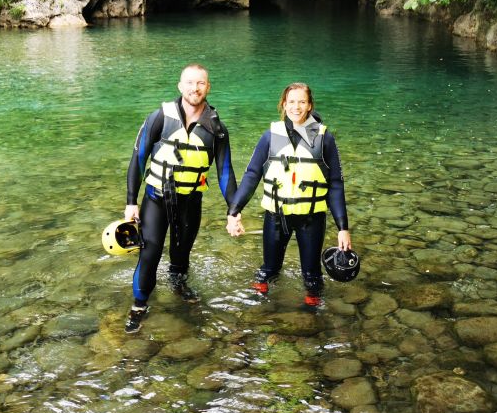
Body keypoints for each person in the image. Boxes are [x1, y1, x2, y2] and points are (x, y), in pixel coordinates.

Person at [123, 64, 237, 333]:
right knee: (149, 254)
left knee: (181, 254)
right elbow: (138, 161)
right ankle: (139, 305)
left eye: (200, 83)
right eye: (189, 83)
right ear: (180, 86)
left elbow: (225, 172)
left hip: (190, 202)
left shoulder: (217, 129)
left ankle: (178, 284)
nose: (194, 88)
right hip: (156, 199)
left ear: (208, 87)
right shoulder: (159, 118)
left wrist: (234, 210)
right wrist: (131, 201)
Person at [226, 82, 351, 307]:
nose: (296, 107)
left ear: (310, 105)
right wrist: (234, 211)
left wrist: (343, 228)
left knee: (312, 275)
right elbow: (252, 174)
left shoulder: (325, 139)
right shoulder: (270, 136)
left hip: (311, 218)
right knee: (268, 270)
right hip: (276, 216)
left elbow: (335, 184)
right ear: (284, 105)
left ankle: (312, 315)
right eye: (291, 102)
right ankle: (261, 309)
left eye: (302, 102)